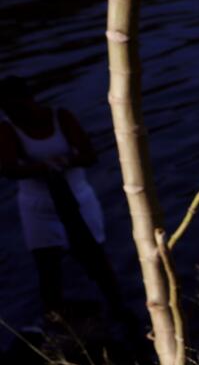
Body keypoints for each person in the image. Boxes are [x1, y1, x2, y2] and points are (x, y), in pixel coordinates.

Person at [0, 75, 127, 320]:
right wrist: (44, 168)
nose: (13, 113)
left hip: (79, 200)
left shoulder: (61, 117)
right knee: (47, 265)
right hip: (37, 208)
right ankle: (55, 319)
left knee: (96, 258)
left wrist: (63, 162)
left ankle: (119, 310)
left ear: (29, 99)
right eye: (6, 109)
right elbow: (8, 169)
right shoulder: (7, 129)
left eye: (16, 106)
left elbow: (90, 155)